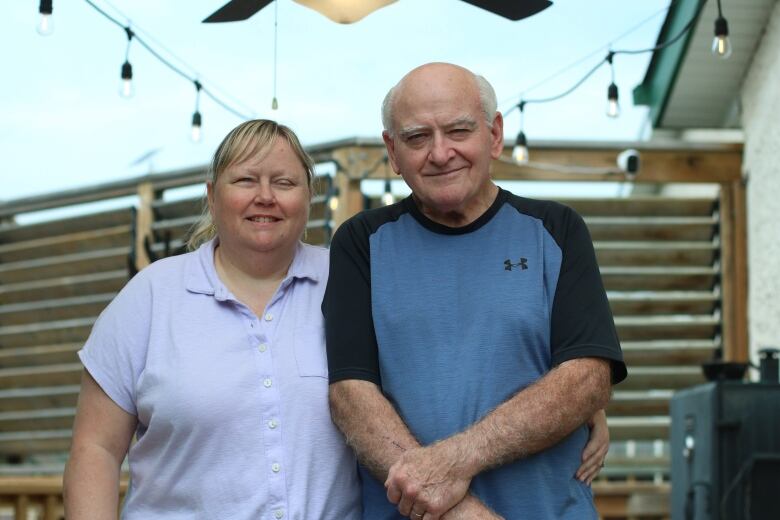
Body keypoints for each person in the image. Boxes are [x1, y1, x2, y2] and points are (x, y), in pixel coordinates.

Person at [323, 63, 627, 519]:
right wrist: (459, 512)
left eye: (458, 131)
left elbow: (587, 377)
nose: (440, 153)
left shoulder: (556, 229)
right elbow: (351, 394)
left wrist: (453, 462)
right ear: (392, 151)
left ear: (495, 134)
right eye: (417, 137)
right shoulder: (360, 243)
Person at [63, 120, 361, 519]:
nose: (265, 196)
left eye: (285, 183)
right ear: (212, 196)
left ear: (309, 197)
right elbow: (94, 450)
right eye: (245, 180)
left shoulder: (348, 284)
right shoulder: (150, 297)